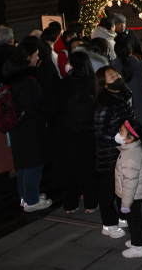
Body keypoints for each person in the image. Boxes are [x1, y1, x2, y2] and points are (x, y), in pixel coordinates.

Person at [2, 41, 53, 211]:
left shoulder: (12, 75)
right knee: (34, 163)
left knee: (23, 164)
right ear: (27, 58)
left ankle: (25, 197)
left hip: (18, 127)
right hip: (30, 129)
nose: (37, 57)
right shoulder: (26, 81)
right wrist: (45, 115)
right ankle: (31, 201)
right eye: (35, 55)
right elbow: (32, 108)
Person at [49, 52, 99, 214]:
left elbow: (53, 110)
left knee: (68, 168)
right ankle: (91, 204)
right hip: (89, 133)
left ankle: (70, 205)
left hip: (66, 133)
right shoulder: (94, 84)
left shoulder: (61, 85)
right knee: (89, 167)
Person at [94, 65, 135, 238]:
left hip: (123, 151)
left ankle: (120, 217)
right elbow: (100, 133)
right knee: (109, 190)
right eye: (111, 76)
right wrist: (116, 138)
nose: (116, 76)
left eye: (116, 73)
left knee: (122, 187)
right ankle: (108, 224)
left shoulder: (123, 95)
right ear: (103, 84)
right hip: (109, 154)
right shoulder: (104, 103)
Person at [112, 40, 142, 181]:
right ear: (130, 50)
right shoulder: (137, 62)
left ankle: (132, 173)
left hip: (126, 107)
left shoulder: (113, 65)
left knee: (129, 139)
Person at [115, 119, 142, 258]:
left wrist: (125, 204)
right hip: (132, 195)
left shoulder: (130, 157)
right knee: (135, 219)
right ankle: (140, 239)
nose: (118, 134)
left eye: (121, 132)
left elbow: (130, 183)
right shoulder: (131, 149)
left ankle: (138, 247)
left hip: (131, 196)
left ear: (130, 138)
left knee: (133, 220)